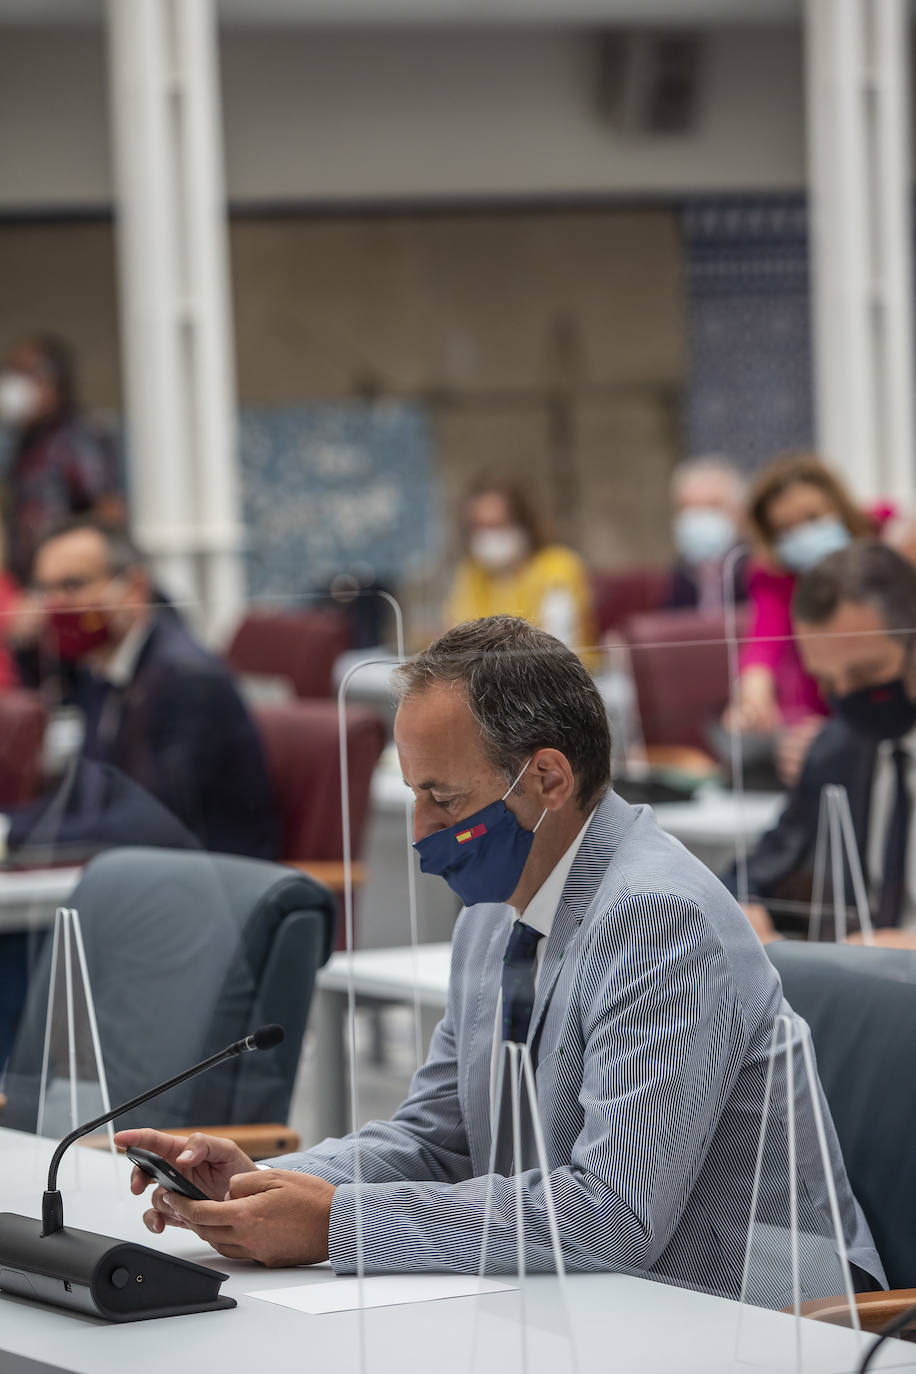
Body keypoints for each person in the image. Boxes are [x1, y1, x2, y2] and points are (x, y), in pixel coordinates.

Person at [115, 616, 883, 1301]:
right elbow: (438, 1138)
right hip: (594, 1293)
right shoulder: (495, 908)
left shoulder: (659, 917)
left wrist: (336, 1225)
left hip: (754, 1308)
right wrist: (282, 1183)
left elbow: (613, 1214)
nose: (419, 832)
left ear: (548, 778)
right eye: (413, 794)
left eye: (442, 799)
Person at [7, 519, 279, 861]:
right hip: (133, 872)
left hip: (208, 891)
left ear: (134, 588)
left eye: (72, 586)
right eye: (45, 590)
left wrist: (11, 836)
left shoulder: (184, 680)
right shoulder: (101, 672)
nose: (55, 605)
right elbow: (82, 804)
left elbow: (151, 825)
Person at [725, 541, 916, 948]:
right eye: (827, 682)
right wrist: (735, 905)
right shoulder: (835, 749)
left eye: (865, 674)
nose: (847, 697)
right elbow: (758, 870)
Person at [725, 452, 884, 786]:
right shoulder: (778, 577)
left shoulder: (888, 542)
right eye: (785, 529)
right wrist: (753, 687)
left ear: (840, 508)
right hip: (827, 720)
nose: (803, 535)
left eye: (813, 518)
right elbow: (765, 636)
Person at [0, 334, 124, 585]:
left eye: (25, 374)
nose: (14, 386)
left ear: (52, 383)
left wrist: (77, 570)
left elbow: (109, 511)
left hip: (68, 584)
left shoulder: (77, 440)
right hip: (31, 582)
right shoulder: (25, 442)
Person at [445, 479, 597, 661]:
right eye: (478, 527)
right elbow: (454, 637)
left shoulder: (558, 566)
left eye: (496, 525)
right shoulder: (471, 573)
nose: (486, 538)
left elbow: (559, 644)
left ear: (523, 524)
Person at [665, 456, 748, 611]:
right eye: (689, 507)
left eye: (712, 506)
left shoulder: (759, 572)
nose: (700, 517)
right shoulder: (681, 573)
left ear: (739, 513)